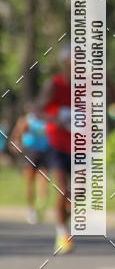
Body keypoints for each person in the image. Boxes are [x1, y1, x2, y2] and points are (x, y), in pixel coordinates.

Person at [37, 44, 73, 253]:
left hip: (79, 145)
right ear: (65, 63)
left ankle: (64, 219)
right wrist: (56, 118)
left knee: (76, 193)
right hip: (57, 144)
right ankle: (62, 233)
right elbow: (37, 110)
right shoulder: (54, 85)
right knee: (62, 189)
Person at [10, 105, 50, 224]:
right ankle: (31, 209)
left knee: (42, 179)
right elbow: (17, 135)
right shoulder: (27, 120)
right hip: (30, 153)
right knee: (29, 181)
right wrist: (16, 143)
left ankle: (40, 205)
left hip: (44, 152)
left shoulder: (46, 119)